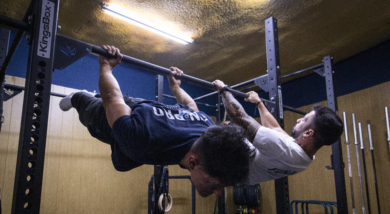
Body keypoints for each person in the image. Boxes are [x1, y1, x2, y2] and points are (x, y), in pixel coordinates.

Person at [59, 45, 254, 197]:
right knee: (89, 112)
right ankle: (80, 97)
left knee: (124, 160)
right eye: (217, 185)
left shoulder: (209, 131)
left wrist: (176, 87)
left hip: (147, 112)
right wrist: (106, 66)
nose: (219, 193)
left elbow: (191, 107)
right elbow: (112, 98)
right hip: (117, 118)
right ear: (193, 162)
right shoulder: (140, 140)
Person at [213, 80, 343, 184]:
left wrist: (224, 90)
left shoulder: (284, 150)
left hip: (223, 166)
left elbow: (240, 118)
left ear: (308, 133)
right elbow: (275, 129)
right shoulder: (305, 157)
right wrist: (259, 103)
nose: (298, 120)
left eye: (304, 120)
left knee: (201, 120)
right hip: (233, 169)